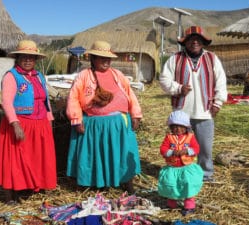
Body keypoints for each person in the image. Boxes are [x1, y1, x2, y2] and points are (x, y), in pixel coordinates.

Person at [66, 40, 142, 193]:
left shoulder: (117, 74)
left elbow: (129, 93)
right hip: (95, 124)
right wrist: (76, 118)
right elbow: (73, 97)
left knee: (123, 151)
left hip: (119, 123)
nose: (106, 61)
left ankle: (125, 180)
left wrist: (135, 114)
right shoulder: (84, 76)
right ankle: (96, 182)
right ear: (93, 58)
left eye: (108, 58)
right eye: (102, 58)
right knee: (95, 155)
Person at [0, 40, 57, 204]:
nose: (28, 60)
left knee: (36, 158)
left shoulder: (39, 76)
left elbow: (45, 100)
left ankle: (32, 186)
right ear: (18, 58)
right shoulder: (11, 76)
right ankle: (10, 195)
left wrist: (49, 120)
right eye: (24, 57)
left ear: (35, 60)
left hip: (39, 123)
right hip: (20, 123)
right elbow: (6, 101)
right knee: (15, 159)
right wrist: (15, 123)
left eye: (31, 57)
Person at [159, 26, 228, 182]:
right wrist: (178, 88)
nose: (195, 42)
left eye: (198, 40)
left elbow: (221, 82)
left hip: (205, 111)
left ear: (203, 42)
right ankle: (182, 172)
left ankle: (205, 174)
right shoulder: (175, 59)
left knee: (204, 147)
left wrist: (218, 102)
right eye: (191, 40)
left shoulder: (212, 58)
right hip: (181, 113)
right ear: (185, 43)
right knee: (179, 146)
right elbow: (164, 79)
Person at [158, 110, 203, 216]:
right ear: (171, 127)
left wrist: (187, 150)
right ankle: (171, 204)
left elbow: (196, 148)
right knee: (171, 185)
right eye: (174, 126)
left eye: (181, 126)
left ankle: (189, 206)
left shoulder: (190, 137)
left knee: (188, 185)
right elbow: (163, 149)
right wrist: (172, 152)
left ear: (186, 127)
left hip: (186, 168)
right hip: (172, 168)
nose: (177, 129)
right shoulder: (169, 137)